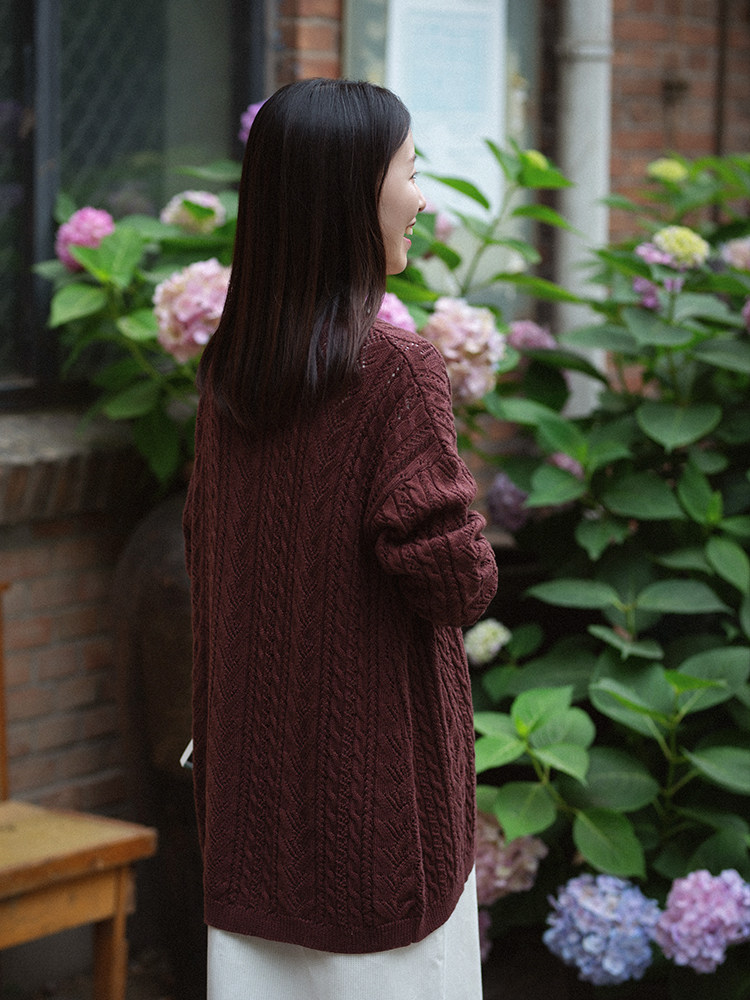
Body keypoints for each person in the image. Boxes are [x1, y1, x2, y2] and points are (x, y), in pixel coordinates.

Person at [183, 77, 498, 1000]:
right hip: (377, 832)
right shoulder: (396, 372)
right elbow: (458, 583)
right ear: (351, 194)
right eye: (410, 171)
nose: (422, 197)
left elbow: (208, 554)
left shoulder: (230, 374)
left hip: (251, 818)